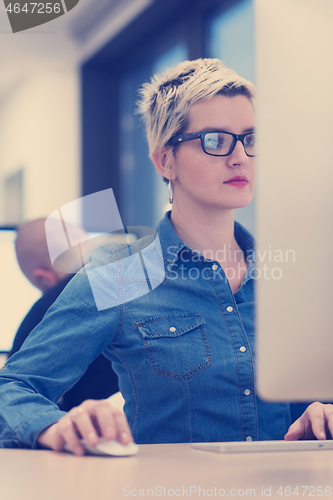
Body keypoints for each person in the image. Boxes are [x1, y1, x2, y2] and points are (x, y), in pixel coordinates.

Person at [0, 58, 332, 454]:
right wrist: (55, 427)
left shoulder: (295, 277)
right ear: (165, 161)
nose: (240, 156)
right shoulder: (119, 277)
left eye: (251, 138)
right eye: (215, 140)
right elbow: (13, 387)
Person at [9, 218, 119, 411]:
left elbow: (14, 397)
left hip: (96, 434)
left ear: (43, 277)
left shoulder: (45, 311)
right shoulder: (137, 280)